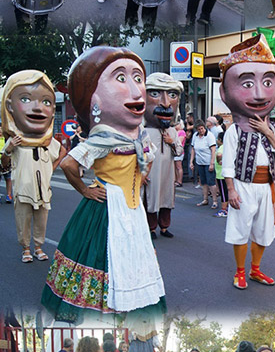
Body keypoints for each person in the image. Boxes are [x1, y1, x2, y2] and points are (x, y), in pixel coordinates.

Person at [42, 46, 165, 336]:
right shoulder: (103, 138)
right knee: (104, 258)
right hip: (107, 209)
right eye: (120, 78)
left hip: (132, 210)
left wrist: (141, 174)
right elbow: (69, 164)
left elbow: (146, 159)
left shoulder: (140, 135)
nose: (136, 89)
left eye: (138, 77)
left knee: (133, 257)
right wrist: (84, 190)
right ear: (93, 98)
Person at [220, 33, 275, 290]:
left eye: (268, 82)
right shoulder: (234, 130)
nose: (260, 95)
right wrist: (230, 190)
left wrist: (267, 131)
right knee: (240, 228)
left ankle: (256, 270)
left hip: (266, 186)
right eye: (248, 84)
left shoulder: (274, 127)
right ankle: (240, 271)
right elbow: (227, 162)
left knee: (263, 230)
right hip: (243, 184)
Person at [1, 67, 66, 264]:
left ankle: (38, 246)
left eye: (46, 101)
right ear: (10, 106)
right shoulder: (16, 140)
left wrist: (51, 170)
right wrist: (8, 148)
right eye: (27, 99)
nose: (38, 108)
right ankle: (25, 248)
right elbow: (4, 164)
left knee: (42, 220)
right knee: (23, 221)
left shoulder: (48, 142)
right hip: (23, 189)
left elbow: (63, 152)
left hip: (43, 189)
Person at [143, 72, 183, 240]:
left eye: (172, 95)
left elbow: (179, 152)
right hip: (151, 174)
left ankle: (164, 227)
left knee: (166, 199)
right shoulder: (142, 132)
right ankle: (151, 229)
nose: (166, 103)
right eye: (155, 94)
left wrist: (171, 141)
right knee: (151, 200)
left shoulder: (172, 130)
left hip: (167, 173)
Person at [190, 119, 218, 208]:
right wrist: (191, 161)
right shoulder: (195, 136)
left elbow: (213, 150)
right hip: (200, 162)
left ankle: (214, 201)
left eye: (202, 129)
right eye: (199, 129)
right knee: (203, 182)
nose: (201, 131)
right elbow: (193, 149)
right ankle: (205, 199)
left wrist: (211, 163)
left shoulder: (209, 136)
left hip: (208, 162)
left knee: (211, 182)